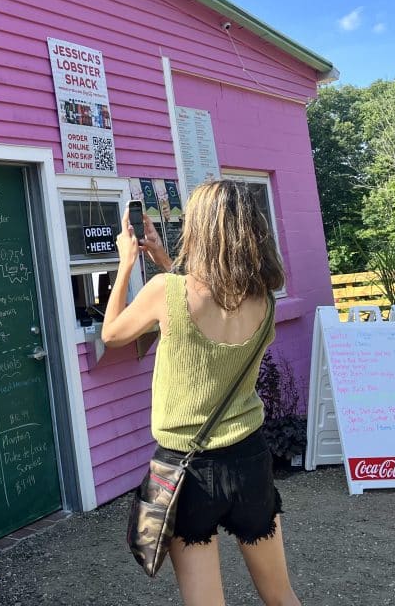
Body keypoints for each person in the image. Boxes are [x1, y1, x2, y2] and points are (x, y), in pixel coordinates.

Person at [101, 180, 301, 606]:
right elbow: (208, 295)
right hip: (249, 458)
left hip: (186, 470)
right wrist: (161, 259)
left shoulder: (165, 292)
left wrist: (125, 263)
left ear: (200, 228)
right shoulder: (263, 299)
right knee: (281, 596)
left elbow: (112, 333)